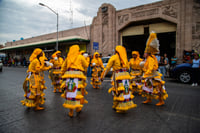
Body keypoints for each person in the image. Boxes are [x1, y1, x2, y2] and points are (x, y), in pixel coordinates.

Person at [101, 45, 137, 113]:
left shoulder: (114, 57)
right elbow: (128, 68)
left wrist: (102, 76)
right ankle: (117, 105)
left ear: (116, 51)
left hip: (118, 76)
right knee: (125, 91)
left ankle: (121, 107)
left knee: (117, 91)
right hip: (125, 76)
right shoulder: (125, 58)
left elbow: (108, 68)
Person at [60, 45, 89, 117]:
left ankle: (71, 111)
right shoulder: (80, 57)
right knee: (78, 92)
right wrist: (86, 59)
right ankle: (78, 107)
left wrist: (62, 75)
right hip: (78, 75)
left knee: (70, 92)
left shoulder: (68, 58)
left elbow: (63, 68)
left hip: (69, 75)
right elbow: (86, 65)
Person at [141, 31, 168, 106]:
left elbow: (150, 68)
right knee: (147, 87)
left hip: (153, 75)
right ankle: (148, 99)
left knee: (157, 88)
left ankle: (161, 101)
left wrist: (145, 75)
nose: (143, 54)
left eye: (144, 53)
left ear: (148, 53)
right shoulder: (148, 59)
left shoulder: (151, 59)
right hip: (149, 76)